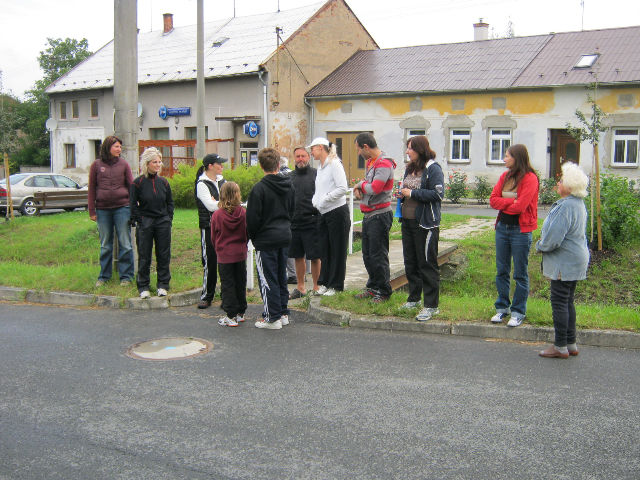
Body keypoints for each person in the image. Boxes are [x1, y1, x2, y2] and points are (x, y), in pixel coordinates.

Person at [536, 162, 590, 358]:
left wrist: (539, 246)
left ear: (570, 186)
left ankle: (560, 346)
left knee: (559, 301)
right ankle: (570, 343)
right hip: (576, 258)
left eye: (561, 180)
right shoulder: (578, 203)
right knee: (567, 302)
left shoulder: (565, 206)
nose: (558, 183)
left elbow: (553, 239)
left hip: (564, 261)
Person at [489, 144, 539, 327]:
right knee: (501, 271)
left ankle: (518, 312)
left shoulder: (530, 178)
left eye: (507, 155)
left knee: (520, 273)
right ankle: (502, 308)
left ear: (517, 158)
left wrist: (507, 202)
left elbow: (521, 206)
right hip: (503, 228)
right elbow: (493, 200)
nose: (504, 158)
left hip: (520, 230)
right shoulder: (505, 176)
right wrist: (512, 200)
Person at [247, 148, 295, 330]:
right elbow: (292, 210)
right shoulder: (289, 185)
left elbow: (252, 219)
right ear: (278, 164)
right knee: (281, 276)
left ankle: (272, 317)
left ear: (261, 166)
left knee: (268, 279)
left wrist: (254, 238)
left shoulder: (259, 189)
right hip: (284, 236)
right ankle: (282, 313)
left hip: (266, 240)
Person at [399, 135, 444, 321]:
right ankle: (414, 298)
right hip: (408, 222)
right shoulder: (410, 168)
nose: (407, 151)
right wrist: (401, 193)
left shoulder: (433, 168)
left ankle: (431, 306)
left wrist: (413, 193)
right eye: (407, 148)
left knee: (426, 264)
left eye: (410, 148)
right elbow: (406, 188)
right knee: (411, 262)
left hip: (426, 224)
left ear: (420, 149)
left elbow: (437, 193)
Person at [353, 132, 397, 303]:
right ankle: (373, 287)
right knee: (368, 254)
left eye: (358, 149)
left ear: (365, 147)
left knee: (378, 255)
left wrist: (359, 185)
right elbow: (368, 185)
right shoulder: (371, 163)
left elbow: (376, 188)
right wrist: (361, 187)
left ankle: (384, 291)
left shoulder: (384, 163)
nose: (358, 153)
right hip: (369, 214)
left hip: (380, 215)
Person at [88, 135, 134, 287]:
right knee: (105, 244)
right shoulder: (96, 165)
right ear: (108, 147)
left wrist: (134, 208)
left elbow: (131, 186)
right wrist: (92, 210)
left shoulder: (124, 164)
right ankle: (104, 276)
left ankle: (126, 277)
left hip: (122, 208)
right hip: (103, 210)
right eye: (116, 146)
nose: (119, 149)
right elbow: (92, 189)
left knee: (125, 243)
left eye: (120, 147)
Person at [130, 147, 174, 298]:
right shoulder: (137, 183)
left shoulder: (164, 182)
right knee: (144, 255)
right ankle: (143, 286)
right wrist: (139, 220)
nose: (158, 165)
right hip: (145, 222)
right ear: (147, 163)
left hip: (163, 222)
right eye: (155, 162)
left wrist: (168, 219)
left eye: (160, 162)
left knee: (163, 254)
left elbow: (170, 203)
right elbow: (132, 204)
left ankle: (163, 285)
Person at [310, 137, 350, 296]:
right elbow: (320, 189)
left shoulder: (334, 164)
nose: (311, 152)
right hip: (324, 213)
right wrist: (316, 200)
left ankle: (336, 285)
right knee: (325, 249)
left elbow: (342, 188)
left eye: (312, 149)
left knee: (337, 249)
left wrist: (325, 199)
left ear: (321, 147)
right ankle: (325, 282)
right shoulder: (320, 167)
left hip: (337, 212)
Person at [211, 182, 248, 327]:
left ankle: (230, 315)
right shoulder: (243, 213)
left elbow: (214, 236)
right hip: (240, 252)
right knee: (240, 282)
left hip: (224, 254)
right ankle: (240, 312)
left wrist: (218, 247)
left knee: (228, 284)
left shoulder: (217, 215)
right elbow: (247, 232)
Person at [289, 146, 322, 298]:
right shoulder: (289, 177)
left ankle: (316, 287)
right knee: (297, 256)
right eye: (298, 156)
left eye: (303, 156)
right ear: (294, 158)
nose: (300, 159)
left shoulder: (317, 175)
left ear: (308, 157)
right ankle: (301, 287)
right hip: (295, 222)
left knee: (315, 256)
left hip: (312, 221)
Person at [195, 153, 226, 309]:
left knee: (226, 261)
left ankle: (226, 296)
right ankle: (207, 295)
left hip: (224, 226)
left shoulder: (222, 181)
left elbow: (228, 201)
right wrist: (223, 203)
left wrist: (219, 202)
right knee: (210, 261)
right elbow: (211, 206)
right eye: (219, 164)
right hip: (209, 227)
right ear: (210, 166)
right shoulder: (202, 184)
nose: (222, 166)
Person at [279, 156, 297, 284]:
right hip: (297, 211)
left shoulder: (279, 176)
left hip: (284, 214)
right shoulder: (293, 174)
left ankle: (292, 274)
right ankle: (305, 272)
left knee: (288, 246)